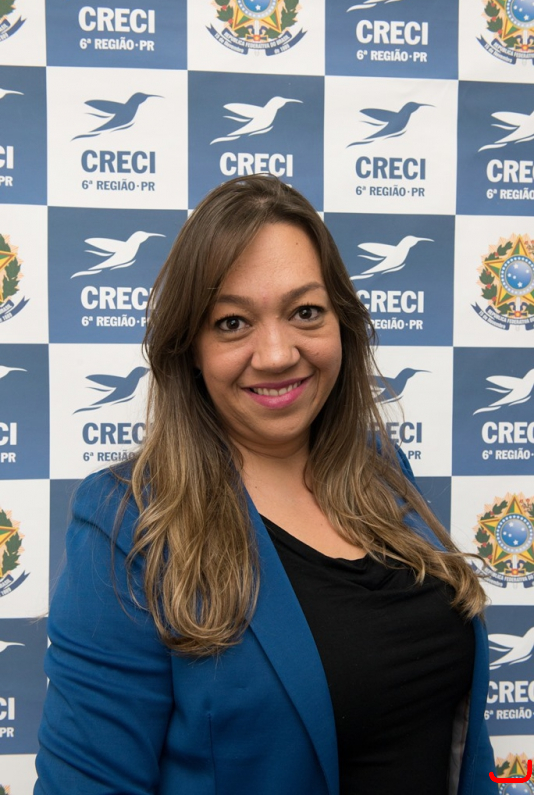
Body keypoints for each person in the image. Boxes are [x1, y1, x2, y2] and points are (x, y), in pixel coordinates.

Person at [35, 175, 497, 795]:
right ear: (190, 348)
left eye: (305, 312)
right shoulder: (126, 522)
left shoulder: (380, 470)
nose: (277, 353)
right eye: (232, 322)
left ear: (342, 323)